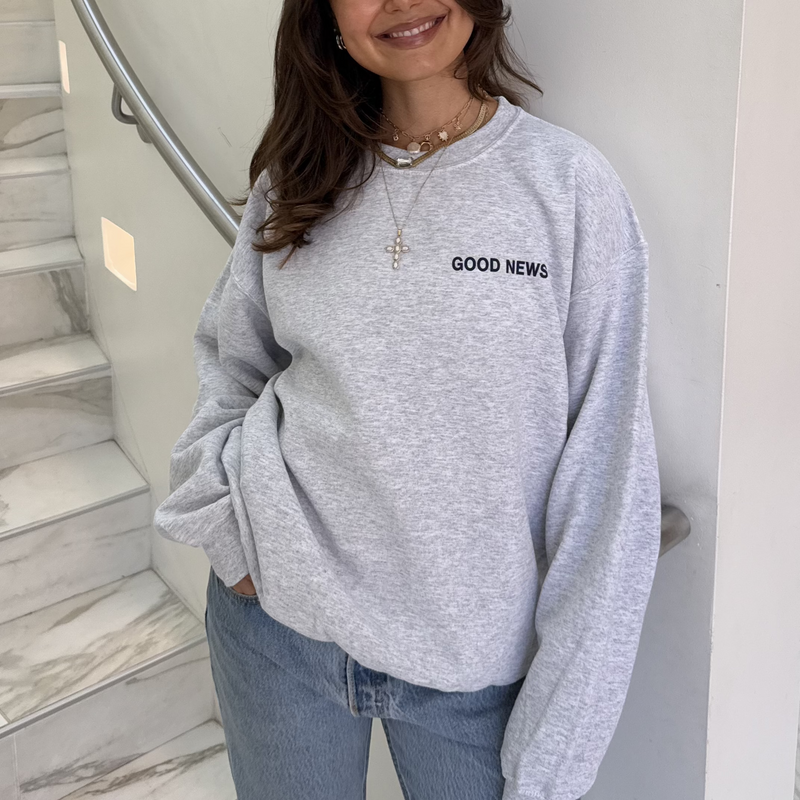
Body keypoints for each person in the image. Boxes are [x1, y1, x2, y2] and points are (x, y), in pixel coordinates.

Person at [153, 1, 662, 798]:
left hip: (471, 672)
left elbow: (609, 479)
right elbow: (232, 363)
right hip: (275, 629)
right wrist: (230, 541)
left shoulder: (566, 187)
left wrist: (556, 754)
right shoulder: (297, 179)